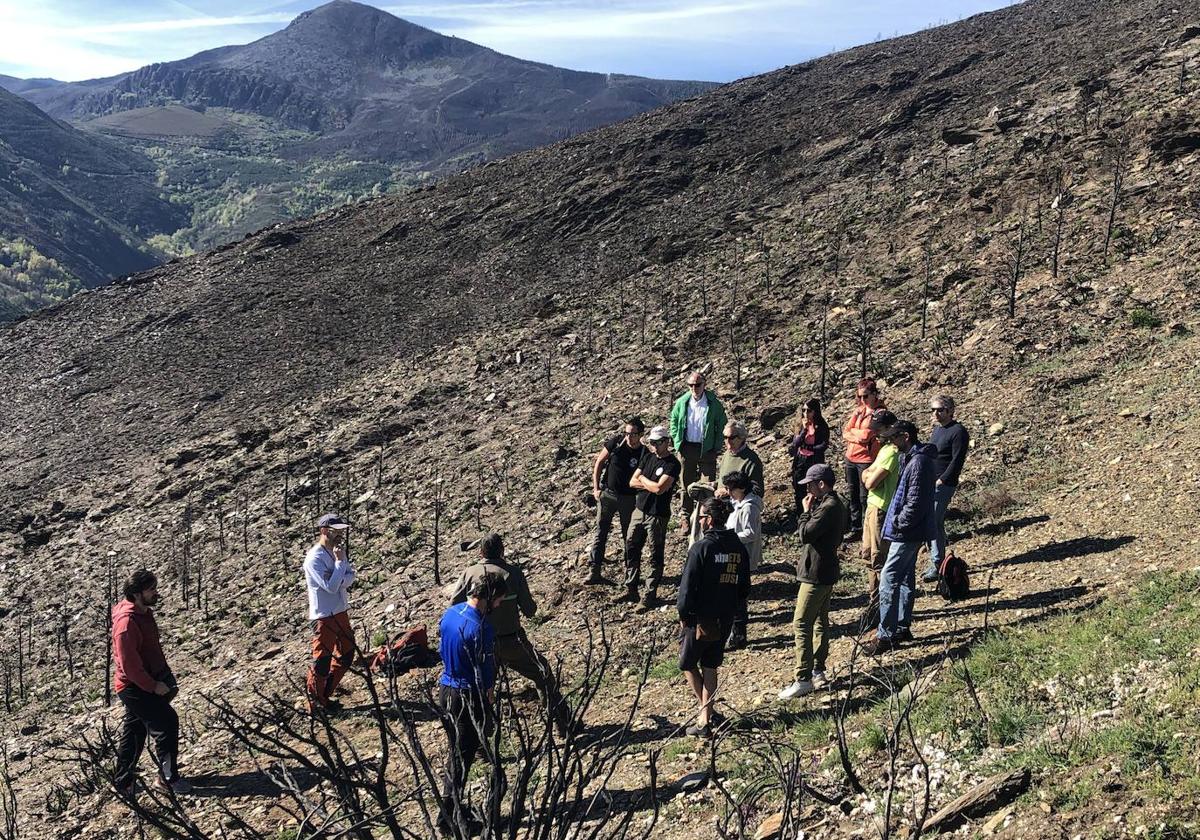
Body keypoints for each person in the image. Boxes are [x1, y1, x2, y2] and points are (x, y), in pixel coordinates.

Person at [450, 533, 570, 735]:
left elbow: (454, 605)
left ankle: (480, 742)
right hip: (512, 641)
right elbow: (530, 610)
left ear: (480, 552)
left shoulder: (469, 573)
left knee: (481, 692)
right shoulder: (513, 573)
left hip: (481, 645)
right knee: (543, 674)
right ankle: (563, 725)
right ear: (502, 550)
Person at [438, 572, 507, 835]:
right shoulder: (481, 629)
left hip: (446, 689)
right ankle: (450, 816)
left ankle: (450, 810)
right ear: (489, 598)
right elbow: (486, 671)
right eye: (498, 600)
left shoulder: (452, 613)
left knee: (456, 752)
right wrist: (488, 696)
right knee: (461, 757)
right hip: (467, 696)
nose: (499, 605)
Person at [112, 569, 191, 795]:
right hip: (134, 686)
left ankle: (123, 782)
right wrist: (153, 686)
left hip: (142, 681)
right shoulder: (127, 624)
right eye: (151, 589)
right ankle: (167, 780)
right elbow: (130, 666)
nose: (156, 593)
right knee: (166, 722)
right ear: (137, 594)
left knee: (134, 730)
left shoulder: (141, 612)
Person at [676, 496, 749, 737]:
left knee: (687, 662)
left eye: (701, 516)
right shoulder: (737, 546)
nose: (698, 520)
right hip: (726, 615)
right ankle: (707, 717)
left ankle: (704, 715)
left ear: (709, 520)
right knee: (711, 664)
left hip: (700, 617)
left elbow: (687, 586)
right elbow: (744, 586)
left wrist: (684, 613)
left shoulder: (701, 548)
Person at [865, 421, 937, 655]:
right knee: (905, 577)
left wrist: (898, 523)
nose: (890, 443)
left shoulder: (918, 462)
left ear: (905, 436)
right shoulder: (910, 458)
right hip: (909, 529)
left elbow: (914, 502)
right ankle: (901, 627)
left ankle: (886, 634)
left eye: (893, 438)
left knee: (889, 576)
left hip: (908, 531)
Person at [779, 465, 848, 700]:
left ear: (821, 484)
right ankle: (818, 669)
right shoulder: (837, 503)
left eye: (810, 484)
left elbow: (805, 534)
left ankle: (803, 677)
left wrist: (805, 511)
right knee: (820, 620)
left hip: (816, 573)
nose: (806, 488)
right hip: (826, 570)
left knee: (802, 623)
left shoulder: (827, 507)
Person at [303, 513, 356, 714]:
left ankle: (324, 695)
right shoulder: (314, 558)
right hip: (323, 616)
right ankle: (315, 703)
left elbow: (350, 577)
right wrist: (340, 565)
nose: (341, 534)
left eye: (342, 530)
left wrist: (340, 571)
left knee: (347, 654)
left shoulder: (337, 552)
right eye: (337, 531)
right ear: (324, 531)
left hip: (340, 611)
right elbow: (332, 586)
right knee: (322, 660)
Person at [623, 425, 681, 607]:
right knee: (631, 547)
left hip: (657, 514)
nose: (654, 446)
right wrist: (649, 484)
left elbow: (659, 488)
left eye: (657, 443)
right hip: (639, 510)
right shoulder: (648, 457)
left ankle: (649, 595)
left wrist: (645, 481)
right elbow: (632, 481)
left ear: (666, 442)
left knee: (655, 554)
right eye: (651, 443)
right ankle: (631, 587)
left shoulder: (672, 464)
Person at [586, 417, 645, 585]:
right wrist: (596, 488)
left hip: (629, 499)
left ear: (641, 434)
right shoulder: (616, 443)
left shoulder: (643, 453)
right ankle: (594, 570)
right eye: (627, 433)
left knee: (629, 536)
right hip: (608, 495)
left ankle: (630, 575)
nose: (629, 437)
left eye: (633, 434)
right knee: (600, 533)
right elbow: (599, 462)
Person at [668, 371, 728, 533]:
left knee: (707, 484)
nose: (694, 388)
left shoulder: (713, 403)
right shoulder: (682, 402)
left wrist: (716, 446)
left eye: (697, 384)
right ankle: (685, 517)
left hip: (706, 449)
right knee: (685, 483)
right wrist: (676, 440)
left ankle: (705, 517)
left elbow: (722, 423)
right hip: (687, 448)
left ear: (704, 384)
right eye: (691, 385)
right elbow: (673, 420)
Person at [921, 396, 970, 583]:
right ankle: (938, 561)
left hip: (943, 485)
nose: (936, 413)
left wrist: (942, 480)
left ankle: (937, 563)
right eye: (933, 409)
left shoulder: (958, 432)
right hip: (930, 482)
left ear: (950, 411)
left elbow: (957, 460)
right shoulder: (938, 430)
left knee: (933, 521)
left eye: (940, 409)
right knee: (934, 522)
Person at [860, 409, 899, 628]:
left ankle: (879, 607)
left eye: (879, 430)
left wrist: (868, 475)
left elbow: (870, 481)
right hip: (873, 506)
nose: (875, 435)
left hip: (881, 508)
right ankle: (873, 603)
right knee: (868, 554)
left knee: (877, 558)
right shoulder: (884, 449)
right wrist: (868, 474)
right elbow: (867, 473)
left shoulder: (892, 452)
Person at [841, 378, 886, 539]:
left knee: (864, 496)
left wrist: (855, 434)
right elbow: (846, 431)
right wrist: (856, 436)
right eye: (859, 396)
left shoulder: (879, 413)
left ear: (874, 394)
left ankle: (868, 527)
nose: (862, 400)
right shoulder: (859, 410)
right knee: (853, 493)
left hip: (866, 460)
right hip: (851, 458)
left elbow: (866, 436)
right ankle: (856, 527)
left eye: (865, 396)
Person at [723, 470, 761, 650]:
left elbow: (750, 532)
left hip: (742, 557)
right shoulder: (738, 502)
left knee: (737, 599)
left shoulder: (749, 507)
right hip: (735, 555)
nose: (729, 493)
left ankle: (738, 636)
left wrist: (730, 538)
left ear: (742, 488)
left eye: (732, 489)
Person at [789, 399, 830, 515]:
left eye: (809, 410)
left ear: (815, 411)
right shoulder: (800, 424)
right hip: (801, 460)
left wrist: (809, 448)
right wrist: (804, 429)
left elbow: (823, 445)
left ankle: (816, 514)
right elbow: (796, 443)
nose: (806, 413)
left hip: (814, 460)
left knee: (815, 488)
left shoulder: (821, 426)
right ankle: (801, 514)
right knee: (799, 487)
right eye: (804, 410)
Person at [716, 421, 765, 498]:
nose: (727, 441)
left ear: (742, 437)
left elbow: (758, 491)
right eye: (725, 437)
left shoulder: (751, 460)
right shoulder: (726, 455)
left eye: (731, 438)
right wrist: (713, 484)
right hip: (721, 503)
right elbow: (724, 482)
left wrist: (728, 492)